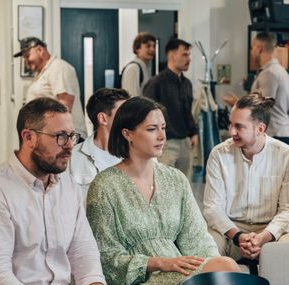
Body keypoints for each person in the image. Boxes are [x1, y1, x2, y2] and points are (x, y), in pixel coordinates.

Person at [86, 96, 241, 285]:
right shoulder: (104, 186)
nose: (161, 136)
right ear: (127, 134)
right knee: (225, 272)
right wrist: (157, 263)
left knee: (225, 268)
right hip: (138, 284)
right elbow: (106, 259)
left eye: (163, 128)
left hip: (181, 274)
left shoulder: (175, 179)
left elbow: (198, 239)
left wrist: (216, 272)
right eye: (152, 129)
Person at [0, 98, 107, 285]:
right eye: (60, 136)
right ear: (29, 137)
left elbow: (84, 254)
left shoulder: (67, 184)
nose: (69, 145)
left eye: (71, 136)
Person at [203, 93, 289, 262]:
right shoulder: (219, 154)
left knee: (288, 249)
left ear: (260, 129)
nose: (231, 131)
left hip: (270, 229)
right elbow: (212, 208)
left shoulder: (286, 155)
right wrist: (238, 236)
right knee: (205, 247)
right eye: (231, 124)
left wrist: (263, 238)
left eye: (239, 127)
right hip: (230, 230)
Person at [143, 38, 198, 179]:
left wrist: (193, 133)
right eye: (184, 55)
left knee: (184, 186)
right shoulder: (156, 83)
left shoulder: (187, 84)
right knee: (165, 188)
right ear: (172, 56)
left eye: (189, 55)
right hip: (166, 144)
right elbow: (146, 116)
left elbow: (187, 113)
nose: (189, 59)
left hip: (185, 142)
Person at [14, 36, 88, 139]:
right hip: (52, 137)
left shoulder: (59, 68)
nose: (26, 62)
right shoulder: (43, 73)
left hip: (66, 139)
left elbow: (65, 107)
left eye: (28, 56)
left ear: (40, 50)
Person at [223, 32, 289, 137]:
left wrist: (236, 104)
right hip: (279, 133)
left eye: (252, 47)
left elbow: (262, 107)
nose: (251, 52)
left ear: (259, 48)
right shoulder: (280, 71)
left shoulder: (270, 73)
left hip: (275, 134)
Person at [69, 88, 130, 200]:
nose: (131, 118)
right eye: (124, 113)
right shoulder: (71, 158)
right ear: (103, 118)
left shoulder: (141, 155)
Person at [121, 32, 156, 96]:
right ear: (137, 49)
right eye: (148, 46)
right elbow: (131, 99)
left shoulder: (145, 68)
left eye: (154, 46)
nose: (152, 49)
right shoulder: (133, 68)